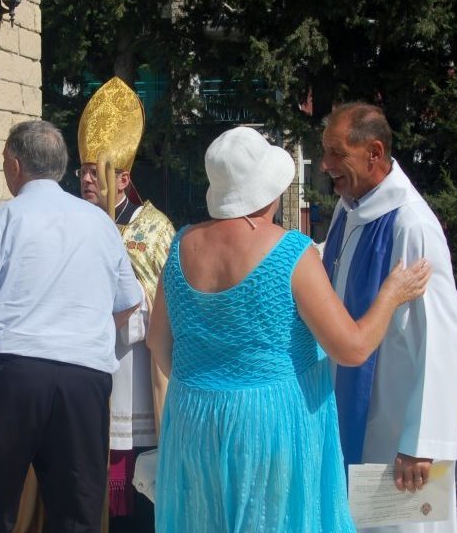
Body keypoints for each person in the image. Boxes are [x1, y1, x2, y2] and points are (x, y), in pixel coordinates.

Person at [146, 126, 431, 532]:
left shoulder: (180, 245)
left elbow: (158, 342)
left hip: (193, 417)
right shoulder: (289, 251)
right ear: (268, 189)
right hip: (268, 422)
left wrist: (214, 381)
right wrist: (391, 294)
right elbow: (351, 349)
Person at [0, 120, 142, 533]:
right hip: (82, 379)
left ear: (15, 165)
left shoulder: (2, 220)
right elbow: (129, 301)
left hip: (12, 378)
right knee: (77, 510)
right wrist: (88, 328)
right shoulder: (100, 224)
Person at [319, 103, 457, 533]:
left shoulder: (411, 224)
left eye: (335, 153)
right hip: (351, 415)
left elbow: (444, 340)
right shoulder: (350, 209)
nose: (326, 165)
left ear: (374, 152)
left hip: (396, 434)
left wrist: (422, 443)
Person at [76, 77, 174, 531]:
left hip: (136, 372)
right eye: (83, 170)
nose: (87, 179)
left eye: (97, 170)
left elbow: (166, 309)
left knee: (136, 496)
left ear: (124, 177)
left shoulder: (154, 229)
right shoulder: (76, 223)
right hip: (85, 371)